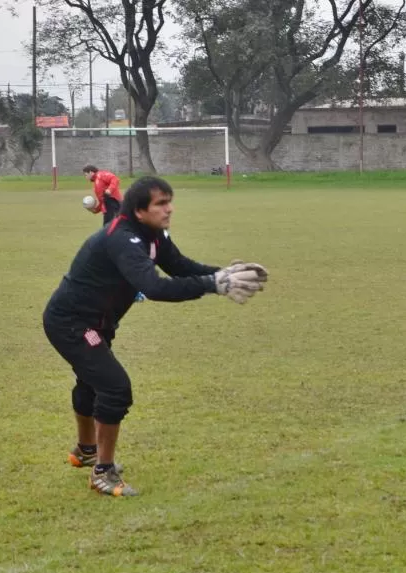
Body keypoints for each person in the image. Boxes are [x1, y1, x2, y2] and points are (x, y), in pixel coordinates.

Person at [43, 176, 268, 497]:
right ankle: (102, 472)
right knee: (115, 388)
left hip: (96, 322)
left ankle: (86, 449)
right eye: (161, 204)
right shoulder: (122, 239)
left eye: (169, 201)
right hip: (71, 322)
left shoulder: (153, 234)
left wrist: (223, 273)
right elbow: (155, 287)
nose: (169, 209)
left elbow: (178, 265)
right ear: (138, 210)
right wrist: (214, 284)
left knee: (91, 382)